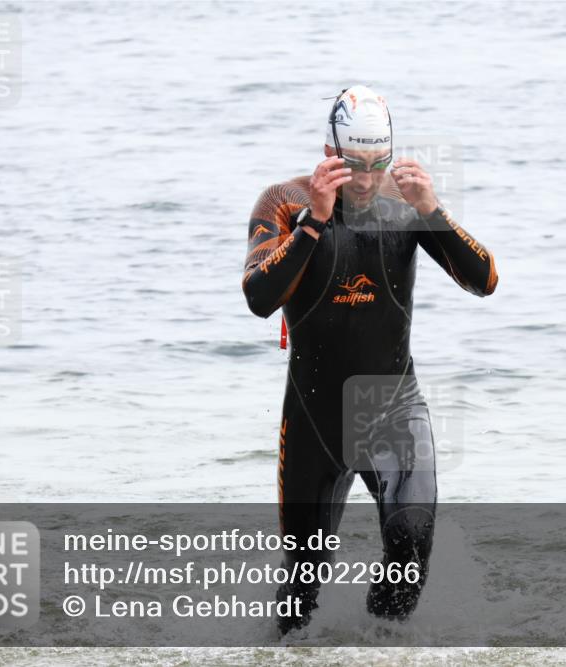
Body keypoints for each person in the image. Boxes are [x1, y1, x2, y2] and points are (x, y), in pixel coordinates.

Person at [242, 84, 498, 635]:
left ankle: (381, 645)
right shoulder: (282, 202)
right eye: (351, 164)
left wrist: (433, 212)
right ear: (328, 150)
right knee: (302, 585)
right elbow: (259, 297)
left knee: (411, 544)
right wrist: (314, 220)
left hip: (392, 408)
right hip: (313, 418)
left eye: (377, 164)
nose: (363, 179)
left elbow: (486, 281)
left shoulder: (406, 204)